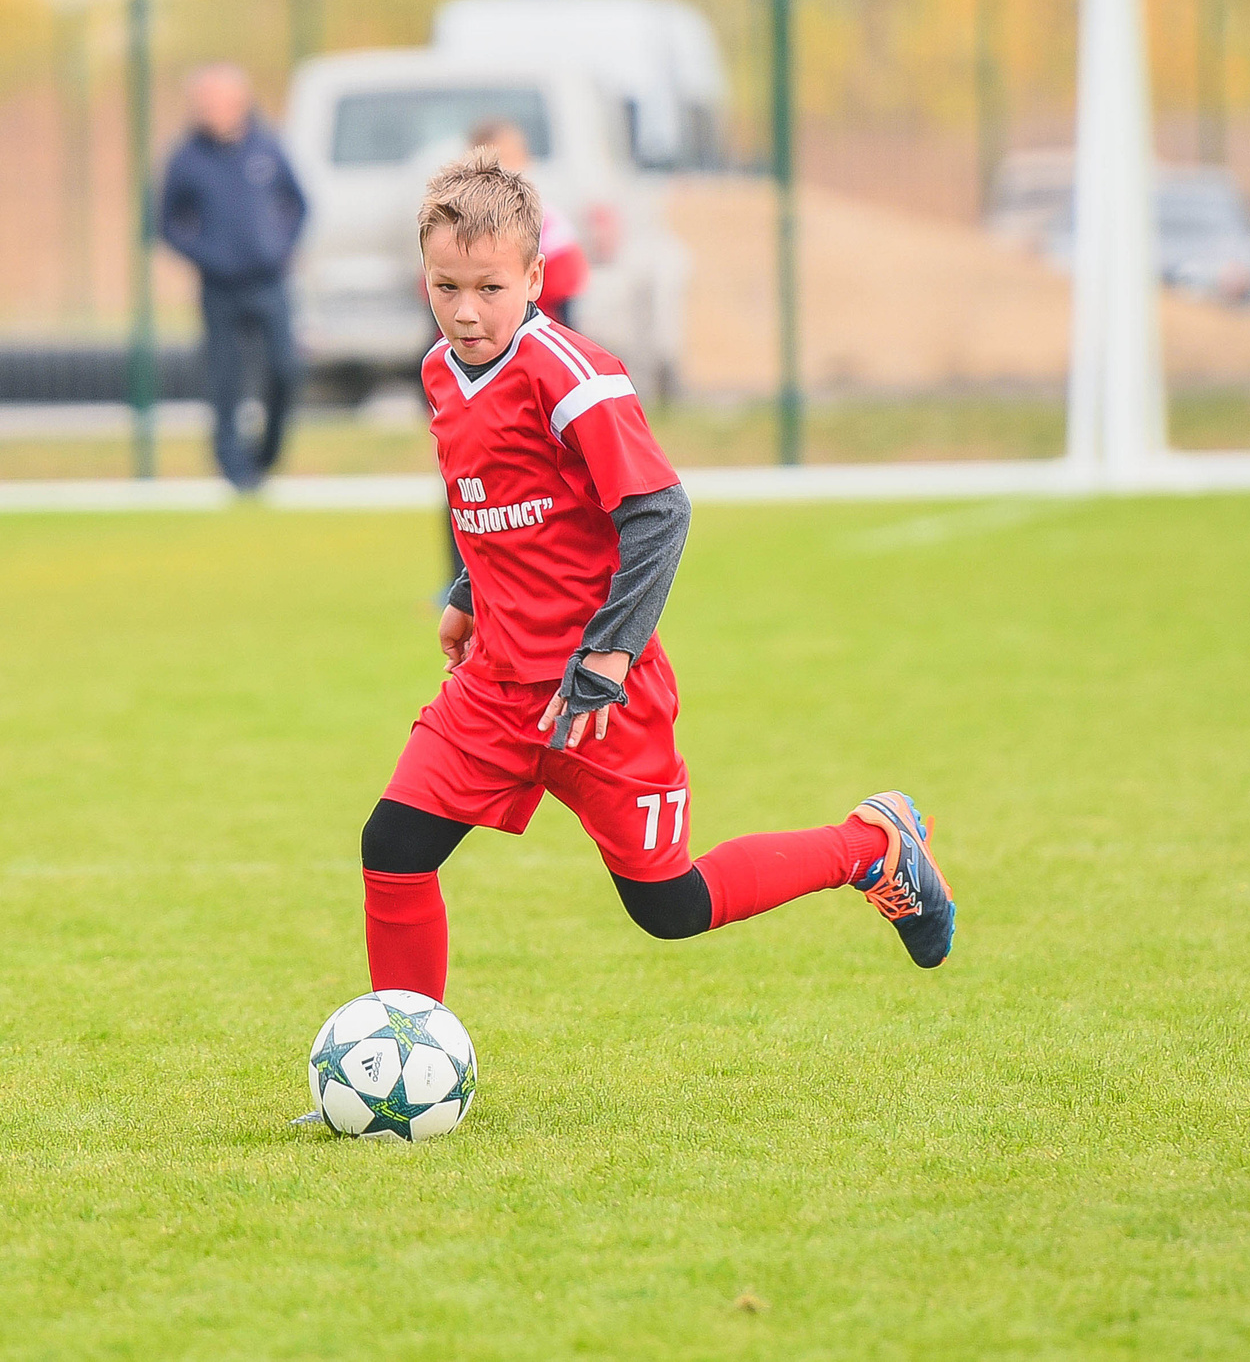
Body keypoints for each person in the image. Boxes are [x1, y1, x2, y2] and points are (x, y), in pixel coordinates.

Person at [357, 147, 955, 1002]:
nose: (466, 311)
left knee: (670, 904)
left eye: (489, 287)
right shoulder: (439, 374)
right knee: (394, 849)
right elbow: (497, 494)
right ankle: (405, 1062)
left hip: (602, 696)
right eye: (446, 287)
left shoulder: (571, 375)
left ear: (534, 276)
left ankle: (870, 846)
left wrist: (608, 656)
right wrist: (464, 596)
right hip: (493, 688)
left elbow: (658, 513)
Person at [158, 63, 308, 493]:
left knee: (284, 367)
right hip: (219, 287)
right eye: (203, 102)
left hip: (269, 280)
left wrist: (282, 247)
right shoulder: (186, 158)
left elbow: (299, 204)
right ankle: (234, 470)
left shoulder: (267, 147)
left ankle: (267, 453)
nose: (210, 110)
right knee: (225, 377)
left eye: (218, 100)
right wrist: (208, 256)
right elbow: (168, 224)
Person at [466, 118, 590, 326]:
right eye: (490, 163)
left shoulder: (550, 229)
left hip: (535, 342)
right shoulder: (456, 226)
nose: (502, 171)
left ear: (525, 160)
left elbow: (566, 311)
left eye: (509, 159)